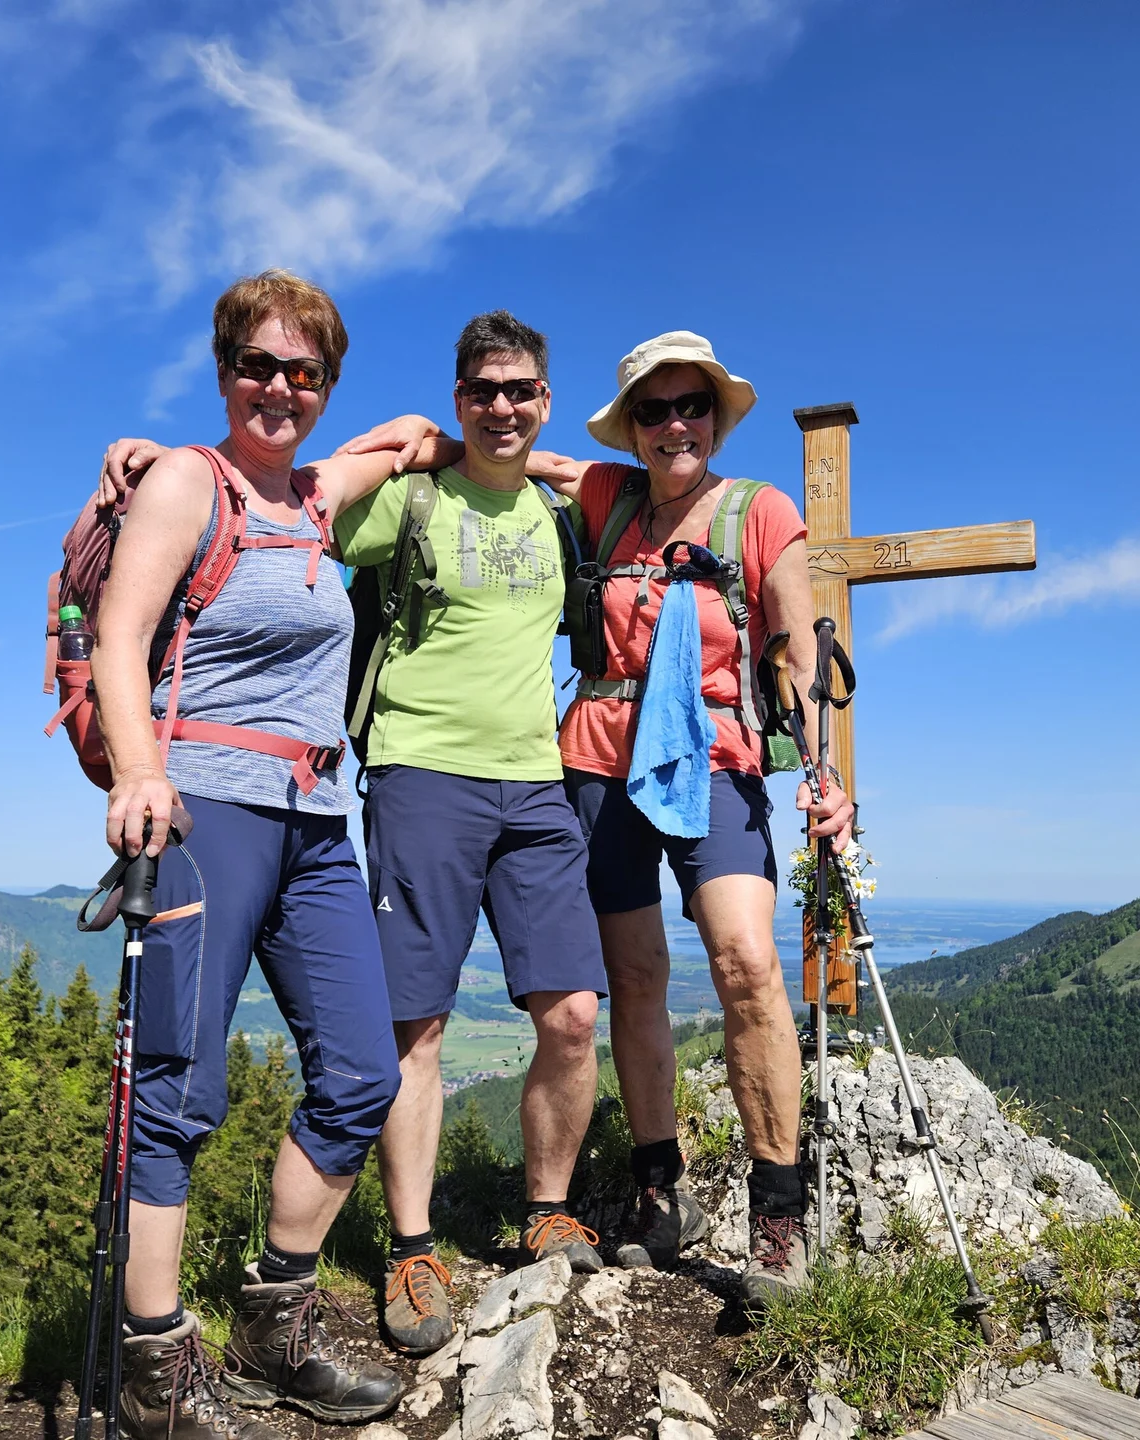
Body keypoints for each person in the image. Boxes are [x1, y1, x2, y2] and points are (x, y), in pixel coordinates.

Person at [103, 311, 610, 1363]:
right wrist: (158, 470)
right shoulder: (393, 499)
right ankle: (395, 1252)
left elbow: (654, 503)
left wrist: (572, 472)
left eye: (521, 392)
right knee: (359, 1043)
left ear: (546, 401)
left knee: (546, 1021)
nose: (503, 407)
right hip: (380, 779)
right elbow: (332, 474)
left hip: (466, 787)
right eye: (484, 391)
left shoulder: (567, 514)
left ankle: (305, 1313)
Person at [344, 331, 852, 1311]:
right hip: (592, 765)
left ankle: (779, 1223)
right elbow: (501, 447)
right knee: (631, 978)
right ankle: (659, 1185)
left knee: (746, 962)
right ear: (633, 426)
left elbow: (793, 650)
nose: (675, 426)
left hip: (719, 761)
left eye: (691, 407)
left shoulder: (759, 510)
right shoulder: (606, 497)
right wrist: (415, 434)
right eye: (654, 412)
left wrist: (824, 770)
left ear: (717, 414)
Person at [90, 269, 420, 1440]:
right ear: (225, 367)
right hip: (204, 811)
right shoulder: (190, 480)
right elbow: (120, 638)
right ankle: (154, 1366)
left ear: (327, 385)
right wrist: (140, 774)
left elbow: (415, 438)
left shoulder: (320, 496)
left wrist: (557, 470)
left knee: (361, 1077)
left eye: (305, 371)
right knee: (176, 1088)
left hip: (321, 818)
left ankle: (274, 1329)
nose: (281, 388)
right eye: (259, 365)